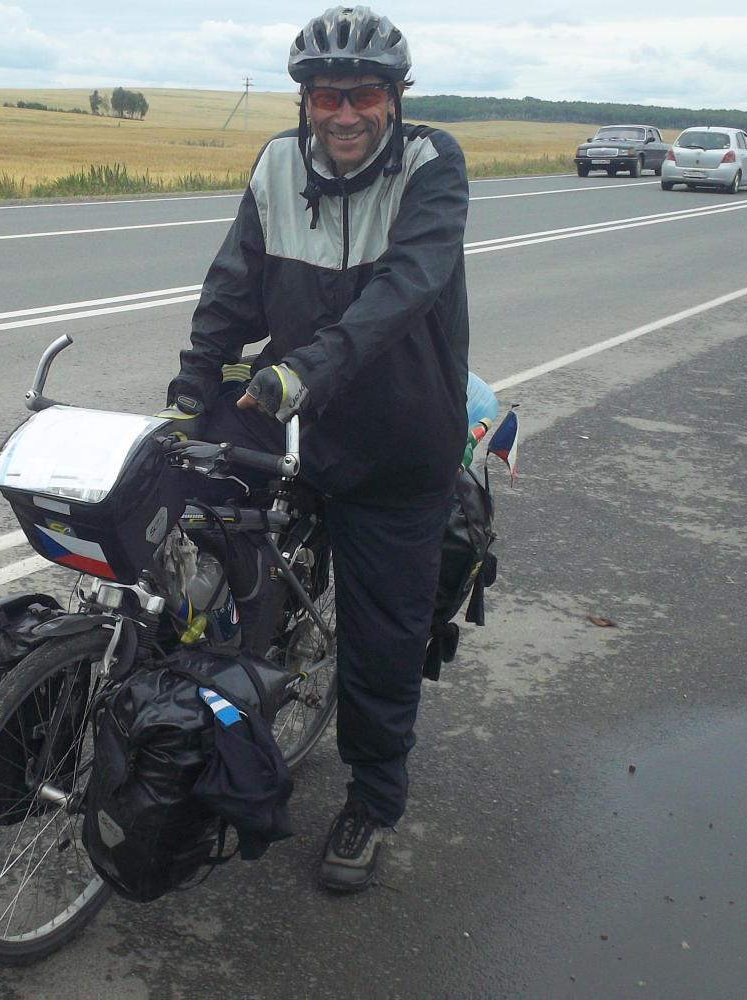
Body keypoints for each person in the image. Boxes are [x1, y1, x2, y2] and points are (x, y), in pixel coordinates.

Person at [160, 5, 471, 891]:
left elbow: (402, 292)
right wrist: (195, 383)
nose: (344, 114)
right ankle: (201, 717)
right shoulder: (276, 165)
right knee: (193, 525)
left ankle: (373, 800)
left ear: (395, 97)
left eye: (363, 94)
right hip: (301, 417)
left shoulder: (431, 166)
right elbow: (234, 286)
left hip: (399, 439)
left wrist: (302, 370)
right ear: (305, 100)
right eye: (326, 96)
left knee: (381, 640)